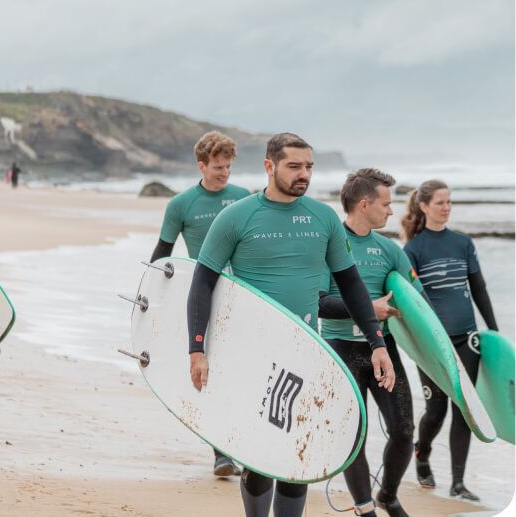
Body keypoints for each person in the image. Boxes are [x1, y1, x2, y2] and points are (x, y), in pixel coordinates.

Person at [187, 133, 395, 517]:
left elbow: (351, 285)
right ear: (270, 166)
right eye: (294, 166)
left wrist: (377, 343)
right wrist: (196, 348)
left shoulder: (323, 218)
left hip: (307, 351)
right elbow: (202, 282)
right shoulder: (237, 217)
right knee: (261, 454)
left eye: (309, 167)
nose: (304, 174)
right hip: (253, 354)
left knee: (296, 459)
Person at [319, 169, 424, 517]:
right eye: (386, 204)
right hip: (339, 348)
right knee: (353, 436)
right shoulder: (328, 246)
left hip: (384, 348)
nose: (391, 211)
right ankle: (365, 509)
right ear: (364, 204)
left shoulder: (389, 250)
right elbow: (317, 299)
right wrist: (366, 309)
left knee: (404, 430)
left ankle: (388, 496)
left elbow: (417, 304)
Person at [150, 130, 250, 477]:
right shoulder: (181, 205)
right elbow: (162, 257)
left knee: (244, 370)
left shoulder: (243, 198)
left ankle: (246, 447)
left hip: (243, 296)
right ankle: (222, 453)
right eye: (218, 167)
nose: (224, 173)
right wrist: (149, 303)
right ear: (201, 165)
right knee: (211, 369)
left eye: (228, 168)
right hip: (204, 295)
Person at [402, 179, 499, 502]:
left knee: (465, 410)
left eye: (449, 201)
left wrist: (494, 332)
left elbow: (479, 289)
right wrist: (418, 341)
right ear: (424, 206)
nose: (446, 207)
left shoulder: (463, 243)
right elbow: (411, 302)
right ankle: (422, 452)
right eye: (440, 202)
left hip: (466, 338)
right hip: (432, 345)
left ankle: (458, 483)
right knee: (436, 410)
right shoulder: (413, 250)